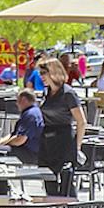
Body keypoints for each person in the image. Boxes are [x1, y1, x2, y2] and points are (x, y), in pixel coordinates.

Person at [36, 59, 85, 192]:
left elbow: (81, 121)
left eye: (44, 73)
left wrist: (77, 147)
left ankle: (69, 205)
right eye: (40, 73)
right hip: (47, 141)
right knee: (48, 181)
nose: (41, 76)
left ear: (54, 72)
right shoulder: (47, 92)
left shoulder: (68, 93)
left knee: (66, 185)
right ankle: (53, 205)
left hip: (64, 140)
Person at [1, 89, 44, 165]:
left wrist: (3, 145)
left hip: (30, 153)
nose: (16, 104)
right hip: (28, 150)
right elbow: (13, 135)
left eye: (18, 101)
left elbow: (20, 140)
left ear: (24, 100)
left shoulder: (30, 115)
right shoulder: (33, 111)